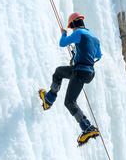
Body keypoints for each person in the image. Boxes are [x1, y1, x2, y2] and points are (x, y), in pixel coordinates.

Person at [39, 12, 102, 146]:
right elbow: (98, 55)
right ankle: (48, 99)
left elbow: (63, 43)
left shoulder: (78, 33)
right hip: (88, 72)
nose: (72, 30)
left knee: (69, 102)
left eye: (72, 27)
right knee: (59, 72)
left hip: (80, 72)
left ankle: (87, 128)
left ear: (74, 25)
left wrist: (64, 33)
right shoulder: (95, 39)